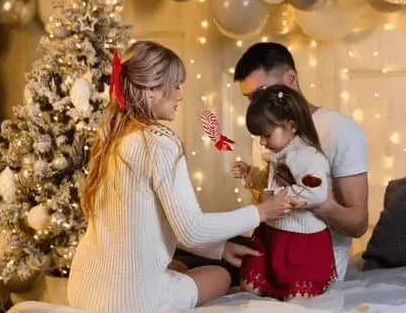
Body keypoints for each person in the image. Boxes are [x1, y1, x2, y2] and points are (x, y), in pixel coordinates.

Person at [67, 41, 293, 313]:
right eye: (175, 87)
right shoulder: (158, 142)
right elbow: (191, 229)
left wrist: (220, 249)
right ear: (151, 90)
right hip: (130, 304)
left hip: (82, 290)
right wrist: (261, 211)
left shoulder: (111, 139)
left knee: (180, 265)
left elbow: (164, 226)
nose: (179, 96)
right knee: (220, 275)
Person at [233, 42, 369, 281]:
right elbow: (267, 199)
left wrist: (319, 203)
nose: (255, 104)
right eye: (249, 98)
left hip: (313, 261)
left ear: (291, 78)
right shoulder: (267, 135)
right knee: (207, 253)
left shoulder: (340, 130)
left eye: (260, 92)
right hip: (274, 247)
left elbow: (358, 224)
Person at [233, 85, 336, 300]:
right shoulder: (281, 153)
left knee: (295, 296)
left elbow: (315, 192)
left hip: (300, 240)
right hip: (272, 232)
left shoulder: (307, 156)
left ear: (291, 125)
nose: (262, 142)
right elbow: (270, 181)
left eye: (266, 135)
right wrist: (251, 174)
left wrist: (273, 198)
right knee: (250, 286)